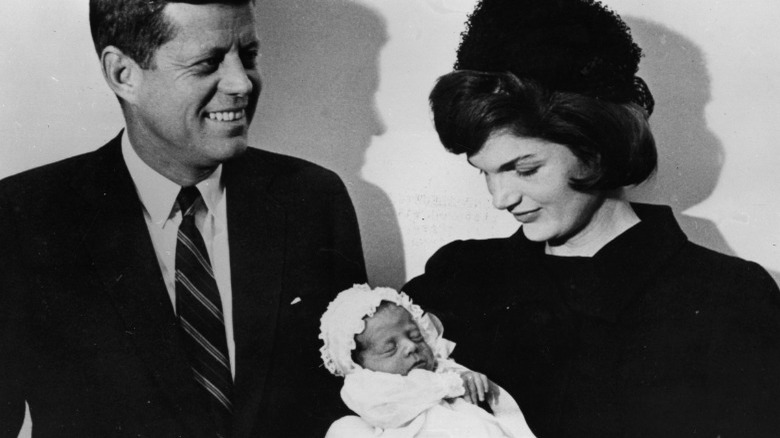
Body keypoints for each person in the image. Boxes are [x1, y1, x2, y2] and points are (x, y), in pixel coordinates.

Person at [403, 0, 780, 437]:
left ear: (595, 150)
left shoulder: (728, 300)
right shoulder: (458, 276)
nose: (500, 199)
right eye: (484, 173)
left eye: (525, 169)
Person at [0, 0, 366, 437]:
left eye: (247, 56)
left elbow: (359, 392)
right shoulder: (22, 219)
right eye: (207, 62)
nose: (241, 84)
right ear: (123, 74)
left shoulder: (312, 199)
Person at [318, 284, 535, 438]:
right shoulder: (365, 388)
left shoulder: (440, 367)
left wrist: (467, 379)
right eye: (390, 348)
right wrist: (447, 385)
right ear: (359, 366)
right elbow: (383, 407)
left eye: (415, 336)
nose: (411, 347)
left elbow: (460, 380)